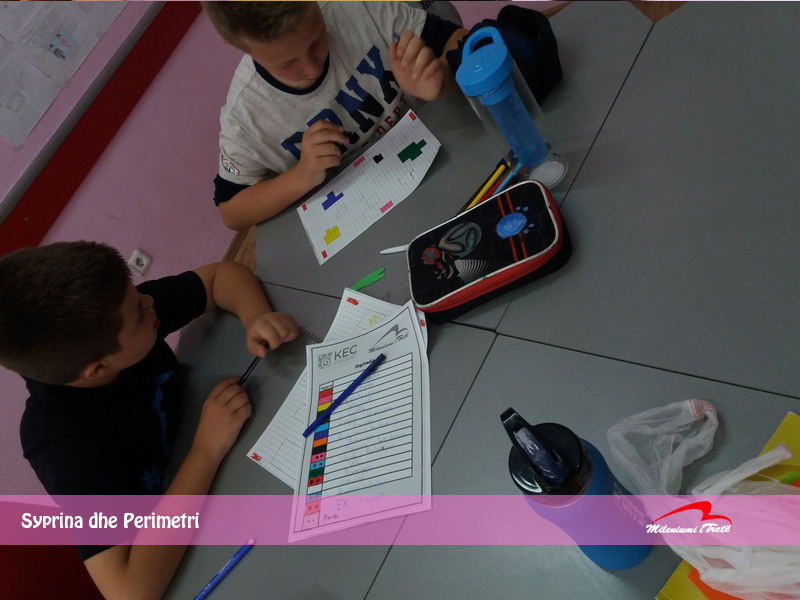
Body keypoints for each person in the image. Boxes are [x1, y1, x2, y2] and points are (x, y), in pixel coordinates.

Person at [0, 241, 299, 600]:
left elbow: (221, 275)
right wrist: (205, 451)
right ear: (98, 369)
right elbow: (129, 591)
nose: (149, 302)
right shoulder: (59, 443)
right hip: (185, 532)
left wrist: (256, 317)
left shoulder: (123, 315)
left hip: (219, 453)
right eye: (139, 314)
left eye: (138, 294)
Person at [202, 1, 468, 231]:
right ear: (233, 41)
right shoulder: (246, 118)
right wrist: (302, 175)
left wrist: (443, 78)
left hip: (439, 163)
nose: (313, 68)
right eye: (286, 64)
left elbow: (461, 40)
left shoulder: (357, 10)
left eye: (316, 37)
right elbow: (231, 211)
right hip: (362, 216)